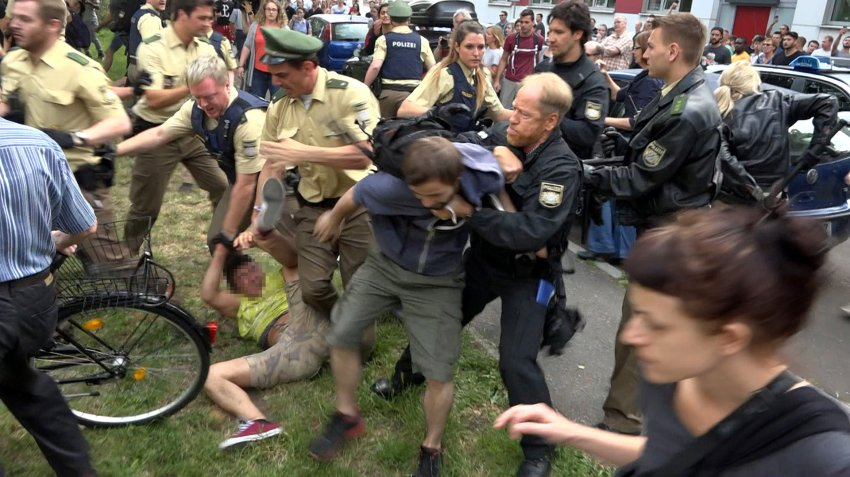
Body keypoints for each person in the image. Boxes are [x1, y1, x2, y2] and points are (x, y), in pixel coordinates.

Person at [495, 206, 850, 476]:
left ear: (729, 337)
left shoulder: (825, 457)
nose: (633, 337)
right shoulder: (676, 372)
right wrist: (570, 432)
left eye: (656, 325)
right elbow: (669, 453)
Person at [377, 72, 581, 477]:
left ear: (550, 122)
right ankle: (406, 376)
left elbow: (532, 235)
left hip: (531, 273)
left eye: (524, 114)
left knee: (516, 361)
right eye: (515, 108)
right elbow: (470, 144)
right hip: (486, 260)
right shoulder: (508, 132)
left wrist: (472, 212)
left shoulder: (561, 167)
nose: (512, 118)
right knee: (441, 322)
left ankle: (539, 448)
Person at [308, 137, 504, 476]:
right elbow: (358, 193)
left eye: (435, 196)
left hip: (438, 279)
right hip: (385, 265)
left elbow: (501, 181)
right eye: (419, 196)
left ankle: (432, 447)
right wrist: (334, 218)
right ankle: (346, 414)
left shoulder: (482, 178)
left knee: (439, 370)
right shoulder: (390, 188)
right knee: (341, 334)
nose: (427, 202)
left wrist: (468, 207)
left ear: (457, 179)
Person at [585, 12, 723, 436]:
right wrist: (624, 145)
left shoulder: (686, 109)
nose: (645, 52)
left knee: (640, 325)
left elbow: (640, 179)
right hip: (673, 223)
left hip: (672, 231)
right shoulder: (680, 93)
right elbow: (656, 157)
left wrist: (581, 172)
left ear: (673, 51)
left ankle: (624, 420)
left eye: (652, 46)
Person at [0, 118, 100, 477]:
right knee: (24, 387)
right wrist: (52, 241)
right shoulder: (37, 143)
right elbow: (85, 226)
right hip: (35, 303)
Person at [258, 27, 377, 326]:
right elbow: (272, 164)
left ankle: (355, 335)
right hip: (312, 207)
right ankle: (342, 324)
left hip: (357, 206)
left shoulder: (350, 93)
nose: (275, 82)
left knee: (360, 288)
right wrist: (261, 213)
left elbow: (370, 153)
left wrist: (304, 153)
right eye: (273, 74)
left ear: (308, 67)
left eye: (282, 74)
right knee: (312, 289)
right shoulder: (279, 106)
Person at [1, 0, 132, 264]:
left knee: (112, 264)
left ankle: (156, 295)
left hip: (78, 181)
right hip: (36, 178)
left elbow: (119, 122)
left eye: (25, 20)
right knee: (31, 255)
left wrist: (74, 138)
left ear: (53, 26)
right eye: (14, 18)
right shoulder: (14, 61)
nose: (14, 24)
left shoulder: (79, 68)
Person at [202, 227, 344, 449]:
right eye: (243, 277)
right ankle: (258, 423)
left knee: (292, 266)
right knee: (211, 375)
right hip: (293, 350)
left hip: (319, 323)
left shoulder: (277, 280)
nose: (252, 276)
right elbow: (209, 294)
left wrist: (259, 241)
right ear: (234, 288)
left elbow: (290, 259)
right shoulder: (240, 306)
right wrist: (220, 253)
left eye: (253, 269)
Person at [117, 55, 266, 249]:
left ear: (228, 85)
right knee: (218, 243)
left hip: (277, 186)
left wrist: (231, 231)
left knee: (286, 242)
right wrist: (114, 150)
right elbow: (159, 134)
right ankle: (247, 276)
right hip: (240, 180)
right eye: (197, 97)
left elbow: (247, 186)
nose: (203, 104)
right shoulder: (196, 110)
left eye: (209, 96)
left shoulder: (248, 120)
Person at [124, 0, 229, 252]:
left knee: (223, 186)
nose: (209, 23)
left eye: (210, 18)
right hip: (156, 132)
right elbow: (154, 98)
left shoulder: (205, 47)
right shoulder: (153, 47)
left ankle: (220, 246)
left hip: (193, 130)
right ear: (182, 14)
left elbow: (221, 85)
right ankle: (125, 256)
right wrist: (197, 87)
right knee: (146, 207)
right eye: (202, 18)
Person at [580, 30, 661, 265]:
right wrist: (606, 76)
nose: (636, 51)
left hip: (628, 145)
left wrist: (602, 120)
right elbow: (619, 96)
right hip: (624, 145)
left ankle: (607, 247)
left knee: (607, 192)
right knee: (618, 196)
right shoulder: (642, 77)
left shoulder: (651, 83)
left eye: (638, 47)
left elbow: (636, 121)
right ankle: (617, 249)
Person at [714, 60, 837, 190]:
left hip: (737, 196)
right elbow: (828, 102)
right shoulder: (777, 101)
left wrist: (753, 190)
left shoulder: (719, 113)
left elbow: (724, 160)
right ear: (754, 83)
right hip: (771, 194)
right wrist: (815, 148)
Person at [398, 21, 511, 133]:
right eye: (469, 47)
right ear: (457, 47)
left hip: (468, 143)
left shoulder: (482, 75)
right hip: (444, 144)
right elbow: (405, 110)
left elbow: (499, 114)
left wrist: (524, 114)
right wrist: (436, 113)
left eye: (481, 47)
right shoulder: (444, 74)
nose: (476, 53)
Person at [534, 0, 609, 160]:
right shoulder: (542, 69)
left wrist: (543, 117)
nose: (551, 39)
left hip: (562, 166)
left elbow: (586, 133)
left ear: (578, 34)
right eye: (550, 32)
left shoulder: (593, 81)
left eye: (559, 32)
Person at [363, 0, 434, 118]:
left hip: (389, 95)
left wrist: (365, 87)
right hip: (413, 96)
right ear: (409, 19)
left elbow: (375, 66)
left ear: (391, 19)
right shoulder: (422, 41)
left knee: (384, 131)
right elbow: (433, 69)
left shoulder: (384, 39)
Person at [494, 8, 544, 108]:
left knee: (524, 110)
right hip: (509, 80)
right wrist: (497, 80)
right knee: (503, 109)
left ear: (533, 23)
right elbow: (503, 59)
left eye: (527, 22)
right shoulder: (511, 38)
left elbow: (537, 59)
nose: (523, 25)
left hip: (527, 82)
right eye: (521, 22)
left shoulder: (539, 40)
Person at [238, 0, 287, 98]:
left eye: (274, 10)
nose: (271, 12)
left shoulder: (284, 28)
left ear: (278, 12)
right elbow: (247, 45)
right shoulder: (255, 26)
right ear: (264, 11)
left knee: (276, 103)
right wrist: (240, 65)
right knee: (256, 102)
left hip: (276, 73)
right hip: (258, 73)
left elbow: (289, 50)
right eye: (268, 9)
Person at [127, 0, 167, 85]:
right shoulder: (150, 18)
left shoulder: (140, 12)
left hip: (134, 66)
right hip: (145, 70)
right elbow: (153, 49)